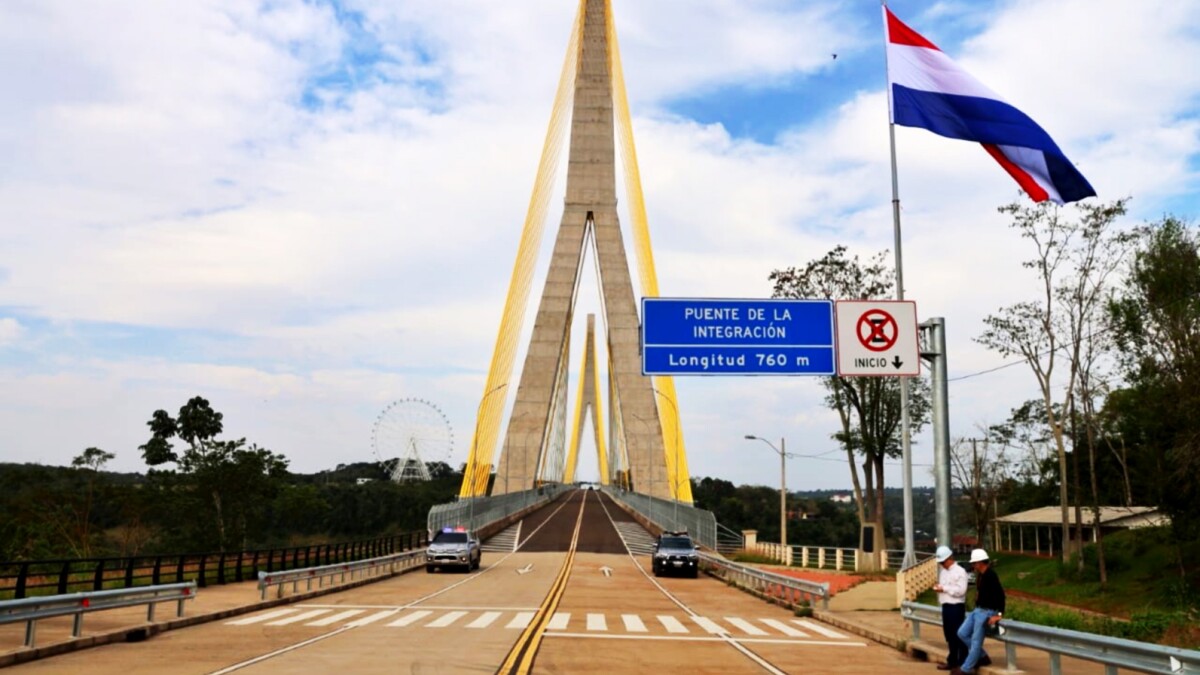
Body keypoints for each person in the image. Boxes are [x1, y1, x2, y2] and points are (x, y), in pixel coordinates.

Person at [954, 549, 1004, 675]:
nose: (973, 565)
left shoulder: (991, 575)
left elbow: (1001, 596)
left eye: (975, 563)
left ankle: (966, 669)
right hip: (978, 610)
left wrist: (998, 615)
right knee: (962, 633)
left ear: (981, 562)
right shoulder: (981, 575)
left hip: (986, 612)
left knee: (976, 641)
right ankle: (982, 656)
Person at [931, 546, 968, 671]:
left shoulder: (960, 571)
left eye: (943, 562)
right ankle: (952, 661)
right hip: (946, 606)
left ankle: (961, 663)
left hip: (956, 607)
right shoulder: (943, 572)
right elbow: (945, 587)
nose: (942, 564)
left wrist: (944, 589)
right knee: (949, 635)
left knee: (958, 635)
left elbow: (961, 591)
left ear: (950, 558)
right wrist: (939, 587)